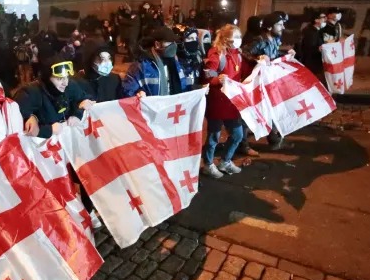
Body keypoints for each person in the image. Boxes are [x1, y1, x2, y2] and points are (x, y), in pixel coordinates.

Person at [201, 24, 253, 178]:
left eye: (239, 37)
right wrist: (218, 79)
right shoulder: (216, 55)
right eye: (234, 37)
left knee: (237, 135)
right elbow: (208, 76)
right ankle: (208, 164)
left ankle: (225, 161)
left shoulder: (238, 55)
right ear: (225, 39)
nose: (238, 40)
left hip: (232, 104)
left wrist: (262, 64)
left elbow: (246, 73)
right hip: (217, 104)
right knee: (213, 137)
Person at [247, 13, 295, 150]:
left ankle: (275, 140)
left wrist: (286, 54)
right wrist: (258, 58)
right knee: (257, 111)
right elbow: (244, 53)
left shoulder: (273, 39)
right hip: (258, 83)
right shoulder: (259, 40)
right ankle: (242, 143)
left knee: (272, 109)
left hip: (268, 82)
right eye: (279, 24)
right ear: (269, 27)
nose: (283, 27)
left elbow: (273, 55)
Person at [15, 55, 94, 138]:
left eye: (66, 77)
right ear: (47, 78)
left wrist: (78, 114)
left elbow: (86, 99)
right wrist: (49, 130)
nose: (65, 83)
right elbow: (16, 126)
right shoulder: (31, 93)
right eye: (59, 79)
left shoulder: (70, 86)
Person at [123, 26, 191, 97]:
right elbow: (127, 89)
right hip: (151, 107)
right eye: (169, 43)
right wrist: (138, 92)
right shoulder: (141, 66)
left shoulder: (175, 63)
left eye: (174, 43)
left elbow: (184, 86)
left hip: (174, 106)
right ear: (157, 45)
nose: (173, 46)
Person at [298, 11, 327, 81]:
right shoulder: (310, 32)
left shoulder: (316, 31)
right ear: (316, 20)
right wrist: (318, 49)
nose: (325, 19)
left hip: (315, 64)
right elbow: (308, 49)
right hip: (312, 65)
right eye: (323, 17)